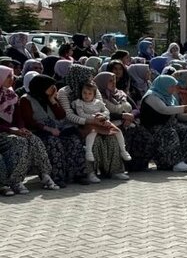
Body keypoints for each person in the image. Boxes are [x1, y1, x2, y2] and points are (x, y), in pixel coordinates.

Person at [57, 65, 129, 182]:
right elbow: (68, 115)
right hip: (76, 125)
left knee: (111, 137)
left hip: (97, 122)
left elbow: (102, 107)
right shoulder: (64, 92)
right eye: (88, 77)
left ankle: (115, 170)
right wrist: (89, 121)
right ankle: (90, 172)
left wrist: (103, 118)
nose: (91, 80)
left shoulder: (93, 88)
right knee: (94, 140)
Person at [15, 73, 88, 186]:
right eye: (51, 87)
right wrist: (47, 129)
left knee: (74, 140)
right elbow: (29, 121)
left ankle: (78, 174)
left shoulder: (49, 98)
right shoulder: (26, 100)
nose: (54, 89)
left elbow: (61, 115)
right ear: (41, 87)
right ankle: (57, 177)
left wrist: (52, 100)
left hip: (56, 129)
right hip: (39, 132)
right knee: (54, 143)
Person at [1, 65, 61, 193]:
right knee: (20, 142)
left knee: (33, 139)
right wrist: (13, 130)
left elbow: (19, 117)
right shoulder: (23, 98)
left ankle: (45, 175)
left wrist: (21, 128)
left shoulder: (11, 95)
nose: (12, 79)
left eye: (12, 76)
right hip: (3, 132)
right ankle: (15, 181)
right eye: (8, 77)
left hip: (13, 131)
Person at [138, 75, 187, 173]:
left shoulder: (170, 97)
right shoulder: (151, 96)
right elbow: (164, 109)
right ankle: (175, 162)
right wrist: (185, 108)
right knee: (169, 132)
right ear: (164, 85)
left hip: (168, 124)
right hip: (153, 126)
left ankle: (184, 160)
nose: (174, 89)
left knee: (185, 130)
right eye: (172, 86)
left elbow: (177, 115)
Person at [72, 82, 130, 164]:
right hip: (90, 123)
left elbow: (106, 111)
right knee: (92, 132)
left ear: (94, 94)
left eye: (89, 93)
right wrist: (94, 117)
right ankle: (88, 151)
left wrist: (102, 115)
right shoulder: (79, 103)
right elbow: (81, 114)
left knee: (117, 131)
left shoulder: (98, 102)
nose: (86, 95)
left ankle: (123, 150)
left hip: (102, 120)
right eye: (84, 93)